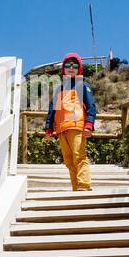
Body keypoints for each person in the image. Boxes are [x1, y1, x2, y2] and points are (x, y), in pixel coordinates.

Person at [43, 52, 96, 191]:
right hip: (61, 130)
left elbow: (91, 107)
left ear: (79, 68)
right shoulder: (58, 89)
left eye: (74, 65)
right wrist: (48, 128)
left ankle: (84, 186)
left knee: (79, 156)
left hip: (77, 127)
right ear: (63, 69)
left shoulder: (82, 86)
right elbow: (52, 110)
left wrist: (89, 124)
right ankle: (75, 187)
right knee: (68, 161)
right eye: (67, 65)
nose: (71, 67)